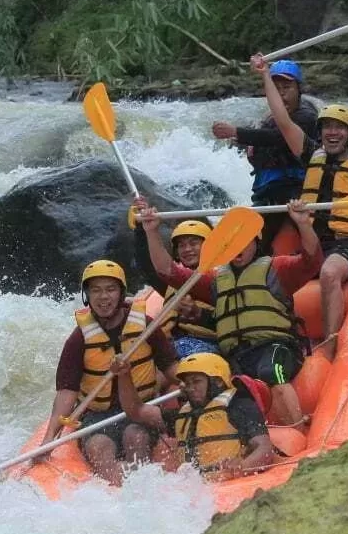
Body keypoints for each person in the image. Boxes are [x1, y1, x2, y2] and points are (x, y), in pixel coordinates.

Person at [252, 54, 348, 360]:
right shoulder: (311, 154)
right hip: (312, 240)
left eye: (339, 128)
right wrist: (265, 75)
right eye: (327, 127)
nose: (332, 132)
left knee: (330, 273)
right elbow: (282, 120)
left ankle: (331, 345)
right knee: (268, 276)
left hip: (347, 244)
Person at [140, 200, 322, 427]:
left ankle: (295, 429)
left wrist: (303, 223)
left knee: (270, 371)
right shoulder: (216, 280)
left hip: (275, 346)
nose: (238, 247)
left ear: (256, 242)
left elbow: (312, 261)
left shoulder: (277, 269)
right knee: (217, 388)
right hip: (235, 355)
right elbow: (167, 270)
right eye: (232, 242)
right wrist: (152, 232)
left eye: (244, 241)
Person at [38, 259, 179, 485]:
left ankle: (137, 490)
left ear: (121, 293)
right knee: (98, 446)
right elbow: (67, 393)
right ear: (87, 296)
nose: (103, 297)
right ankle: (119, 490)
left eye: (110, 289)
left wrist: (194, 387)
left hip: (139, 409)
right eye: (96, 290)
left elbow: (171, 368)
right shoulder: (79, 339)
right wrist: (48, 439)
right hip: (96, 416)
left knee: (136, 437)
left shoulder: (146, 325)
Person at [211, 59, 320, 252]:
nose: (281, 93)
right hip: (267, 194)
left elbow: (280, 137)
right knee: (248, 245)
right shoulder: (267, 119)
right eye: (276, 88)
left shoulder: (307, 115)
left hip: (296, 193)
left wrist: (237, 132)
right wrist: (244, 144)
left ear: (299, 89)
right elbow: (262, 147)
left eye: (287, 87)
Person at [115, 352, 274, 480]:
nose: (190, 388)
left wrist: (242, 466)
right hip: (196, 488)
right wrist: (124, 376)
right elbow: (135, 410)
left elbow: (264, 449)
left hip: (232, 483)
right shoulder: (182, 414)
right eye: (187, 383)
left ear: (218, 382)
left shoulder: (239, 406)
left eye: (196, 382)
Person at [131, 202, 219, 358]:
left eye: (193, 243)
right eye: (182, 245)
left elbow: (230, 321)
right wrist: (141, 228)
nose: (187, 249)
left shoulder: (222, 277)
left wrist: (198, 313)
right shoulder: (171, 281)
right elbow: (147, 265)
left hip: (206, 343)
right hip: (171, 342)